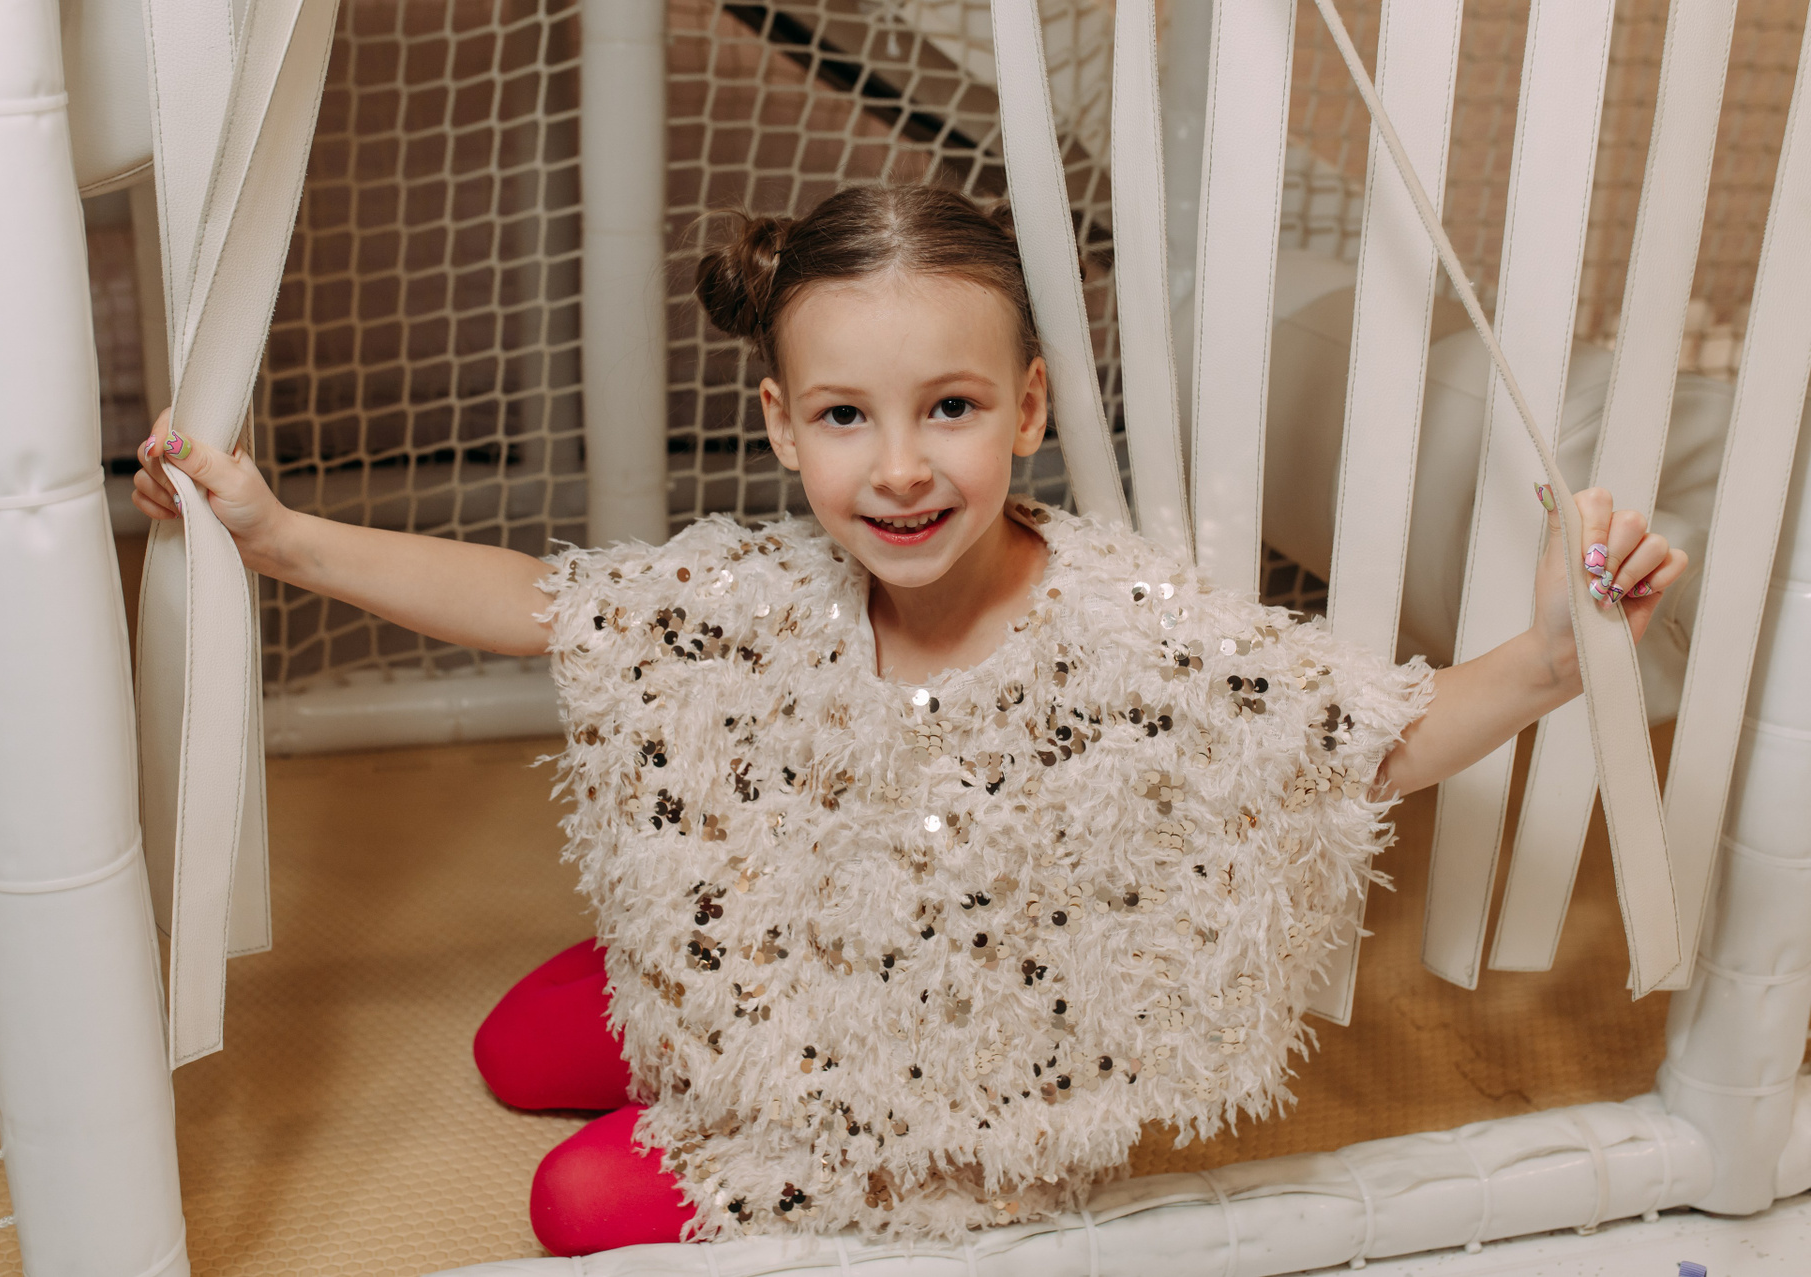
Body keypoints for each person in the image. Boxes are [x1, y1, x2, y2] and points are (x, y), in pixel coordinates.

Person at [133, 185, 1686, 1257]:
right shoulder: (767, 585)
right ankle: (703, 1026)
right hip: (789, 952)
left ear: (1028, 408)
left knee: (576, 1206)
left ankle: (813, 1137)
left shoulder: (1129, 628)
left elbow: (1362, 737)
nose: (899, 470)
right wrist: (282, 536)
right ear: (780, 425)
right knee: (514, 1045)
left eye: (950, 407)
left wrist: (1552, 659)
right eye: (844, 417)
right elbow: (547, 602)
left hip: (953, 1060)